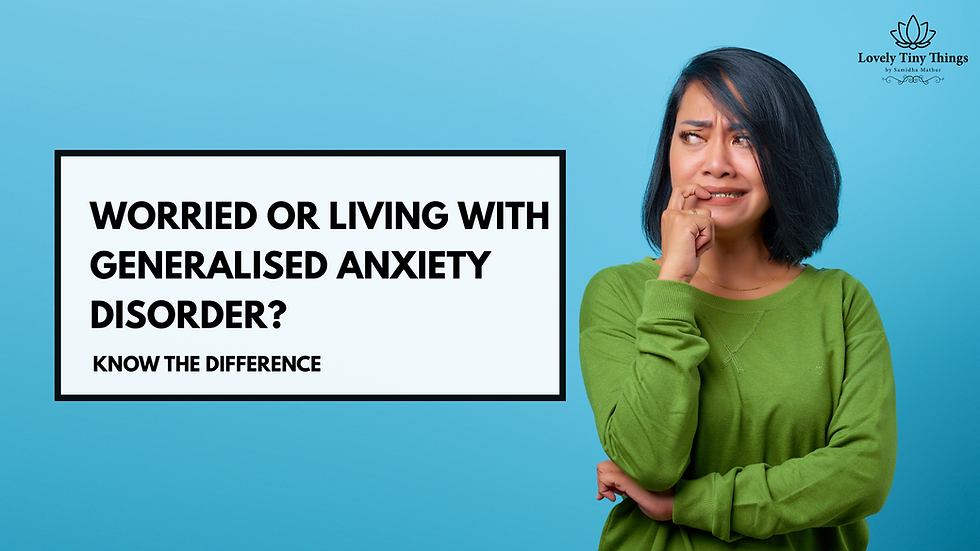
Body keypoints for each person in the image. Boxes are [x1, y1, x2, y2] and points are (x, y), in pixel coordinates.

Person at [579, 47, 896, 550]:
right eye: (693, 136)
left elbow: (863, 474)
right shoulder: (618, 294)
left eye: (745, 139)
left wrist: (691, 504)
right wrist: (673, 282)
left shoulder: (841, 302)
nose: (716, 164)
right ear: (670, 151)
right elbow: (651, 463)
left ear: (789, 153)